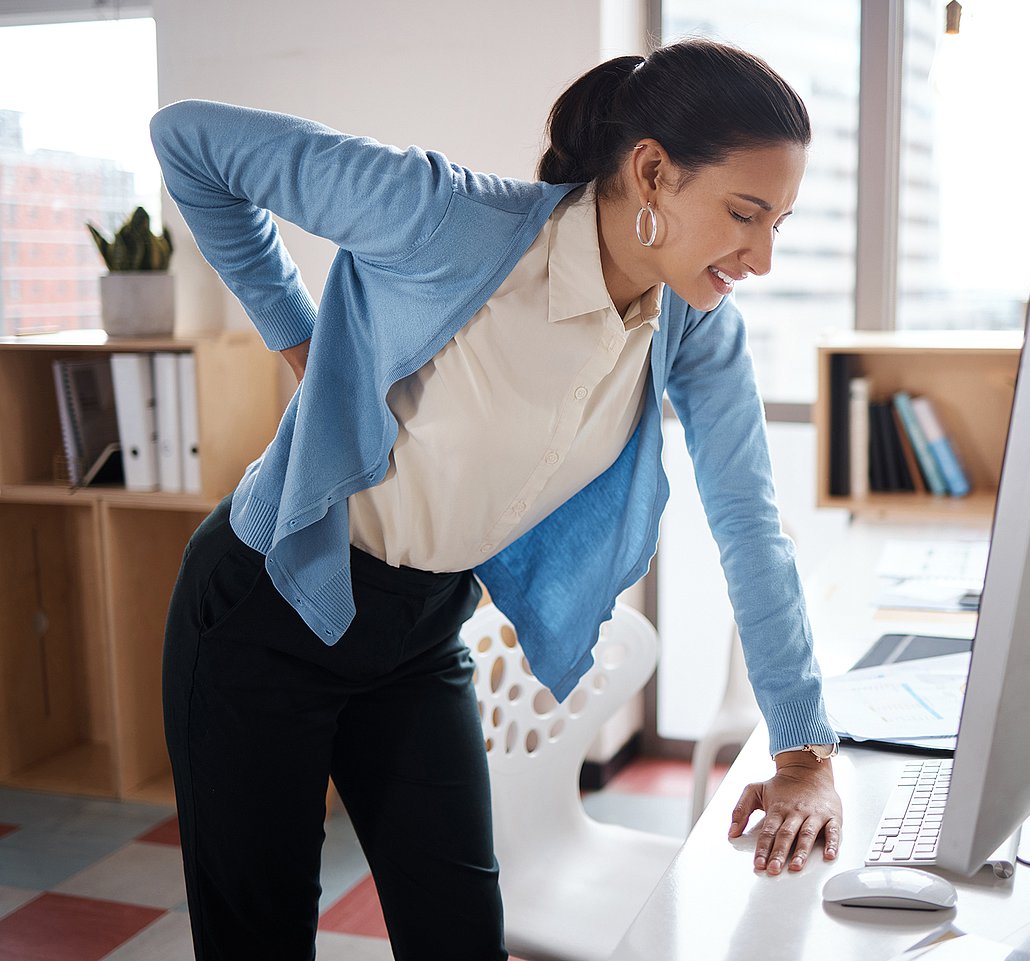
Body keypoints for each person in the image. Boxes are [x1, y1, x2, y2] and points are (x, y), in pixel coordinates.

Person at [155, 38, 842, 961]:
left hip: (418, 630)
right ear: (651, 173)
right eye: (744, 214)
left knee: (461, 937)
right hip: (267, 608)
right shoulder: (449, 218)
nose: (760, 255)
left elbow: (751, 524)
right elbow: (188, 142)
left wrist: (804, 757)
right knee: (261, 937)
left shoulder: (696, 327)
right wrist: (297, 338)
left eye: (779, 223)